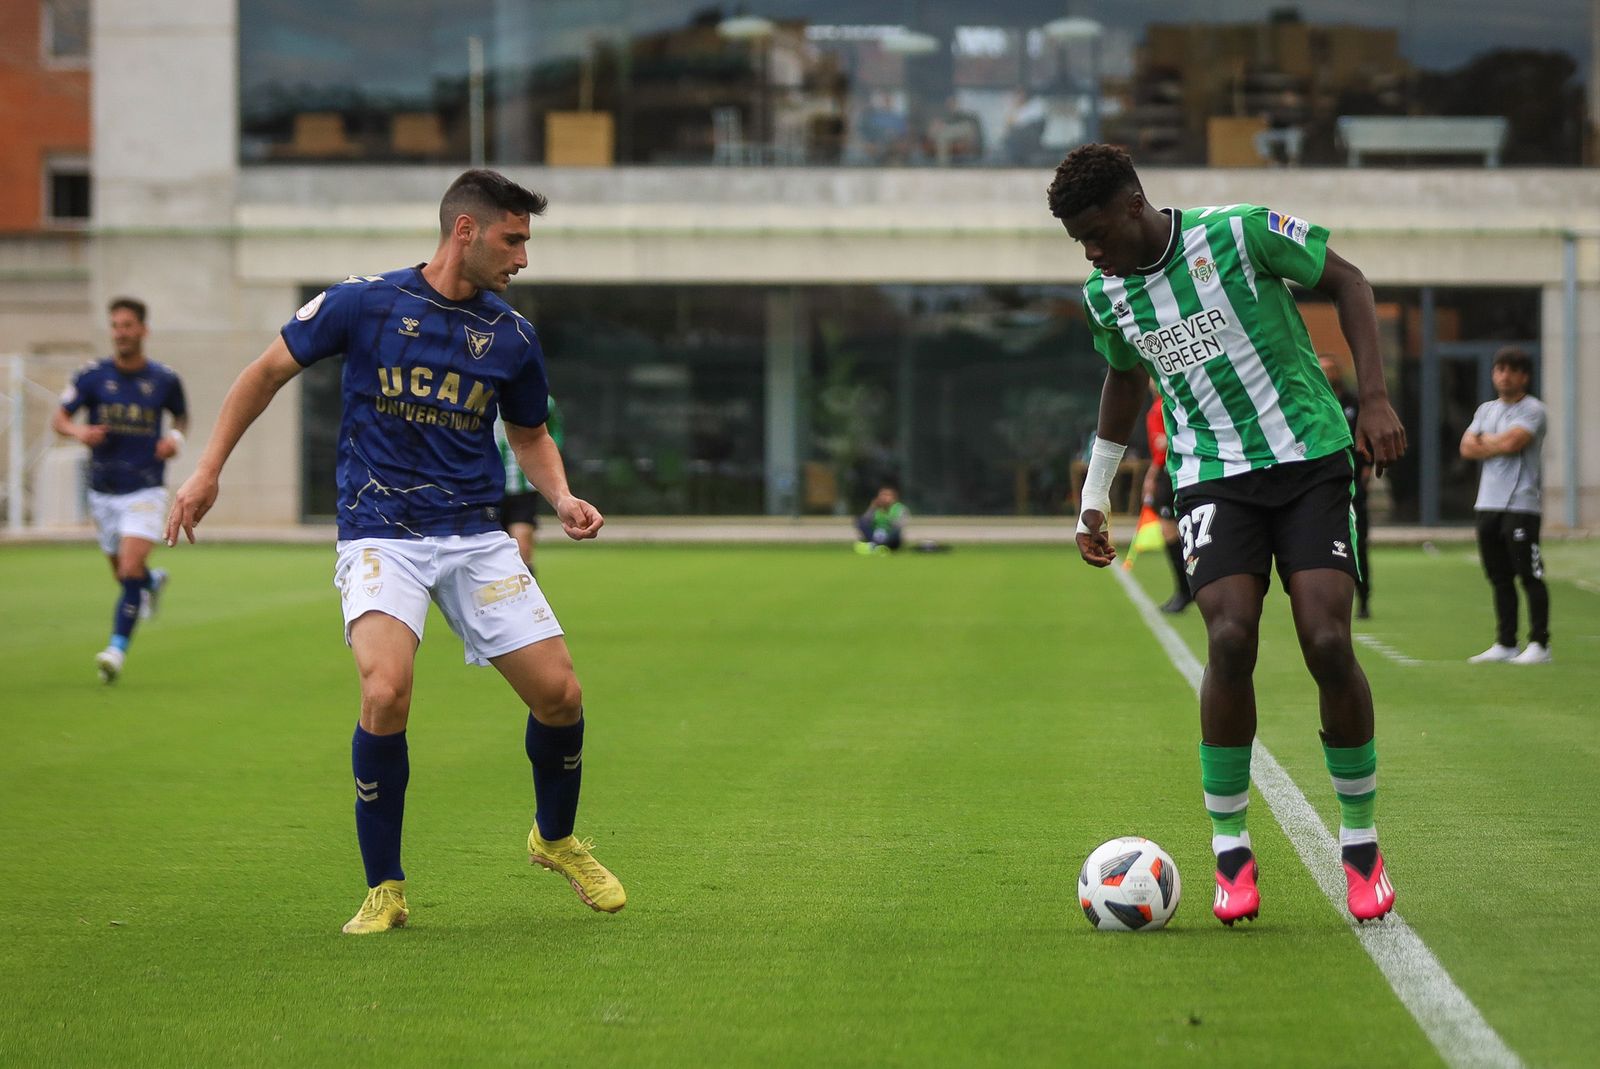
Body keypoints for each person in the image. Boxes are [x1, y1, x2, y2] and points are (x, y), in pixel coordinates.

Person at [164, 169, 625, 933]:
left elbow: (530, 433)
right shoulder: (363, 302)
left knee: (562, 695)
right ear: (465, 231)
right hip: (382, 531)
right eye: (514, 239)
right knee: (385, 691)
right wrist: (208, 468)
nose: (523, 257)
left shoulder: (512, 335)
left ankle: (556, 837)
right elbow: (264, 373)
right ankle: (386, 885)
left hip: (475, 537)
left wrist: (562, 497)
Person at [1048, 144, 1407, 926]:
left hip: (1310, 454)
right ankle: (1231, 851)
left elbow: (1348, 280)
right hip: (1212, 473)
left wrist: (1373, 397)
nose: (1092, 250)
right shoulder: (1106, 296)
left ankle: (1361, 842)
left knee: (1326, 641)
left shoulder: (1240, 232)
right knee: (1232, 636)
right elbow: (1123, 378)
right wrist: (1093, 495)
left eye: (1097, 232)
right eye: (1079, 241)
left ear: (1133, 204)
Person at [52, 297, 188, 684]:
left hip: (145, 488)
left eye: (128, 325)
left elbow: (181, 415)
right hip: (103, 490)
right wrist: (80, 432)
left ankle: (115, 650)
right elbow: (60, 418)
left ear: (143, 330)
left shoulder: (164, 379)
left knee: (129, 567)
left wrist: (174, 438)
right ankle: (152, 582)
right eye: (115, 326)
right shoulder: (92, 377)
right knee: (125, 576)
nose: (121, 333)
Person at [1460, 346, 1550, 665]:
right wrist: (1493, 444)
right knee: (1499, 576)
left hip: (1521, 505)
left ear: (1524, 376)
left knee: (1529, 574)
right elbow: (1466, 447)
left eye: (1512, 370)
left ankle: (1540, 643)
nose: (1504, 375)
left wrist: (1487, 442)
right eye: (1500, 369)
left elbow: (1514, 443)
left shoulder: (1533, 410)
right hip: (1488, 503)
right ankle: (1506, 642)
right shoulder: (1486, 410)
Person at [1320, 354, 1372, 618]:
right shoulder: (1313, 402)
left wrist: (1365, 472)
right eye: (1323, 369)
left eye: (1332, 368)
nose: (1328, 373)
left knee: (1358, 544)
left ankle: (1363, 600)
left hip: (1352, 485)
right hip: (1321, 485)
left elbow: (1367, 442)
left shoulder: (1354, 403)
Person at [495, 394, 563, 575]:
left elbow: (552, 434)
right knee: (490, 556)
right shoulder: (473, 393)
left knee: (522, 548)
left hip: (523, 487)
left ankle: (525, 599)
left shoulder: (540, 398)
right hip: (487, 489)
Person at [1140, 380, 1192, 613]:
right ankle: (1184, 589)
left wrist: (1168, 440)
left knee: (1174, 532)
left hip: (1175, 472)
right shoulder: (1158, 406)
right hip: (1165, 472)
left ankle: (1187, 589)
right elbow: (1158, 449)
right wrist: (1152, 474)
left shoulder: (1170, 405)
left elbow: (1169, 443)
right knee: (1170, 531)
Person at [855, 484, 907, 554]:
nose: (884, 498)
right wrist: (872, 508)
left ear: (894, 497)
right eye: (882, 495)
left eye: (887, 495)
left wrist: (886, 514)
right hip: (876, 534)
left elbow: (899, 525)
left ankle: (877, 546)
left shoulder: (899, 508)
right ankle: (876, 545)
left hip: (890, 535)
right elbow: (865, 520)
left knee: (896, 531)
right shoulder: (875, 507)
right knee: (861, 521)